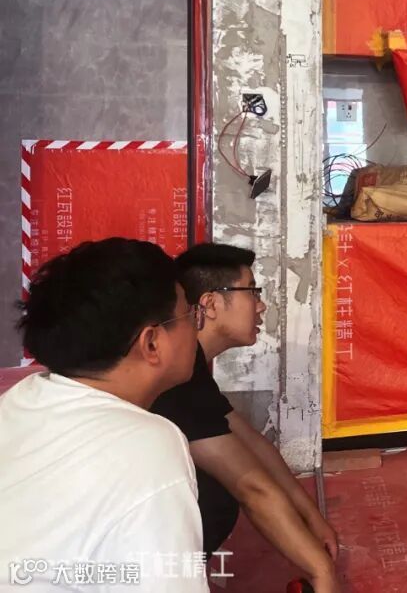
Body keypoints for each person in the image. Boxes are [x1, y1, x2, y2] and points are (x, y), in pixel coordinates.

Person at [0, 238, 208, 591]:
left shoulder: (19, 400)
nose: (196, 328)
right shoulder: (147, 444)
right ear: (152, 343)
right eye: (190, 314)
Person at [151, 244, 339, 593]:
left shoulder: (193, 368)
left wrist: (312, 518)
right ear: (210, 304)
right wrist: (322, 571)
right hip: (137, 568)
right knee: (216, 488)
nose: (261, 305)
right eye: (252, 291)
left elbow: (252, 443)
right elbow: (252, 487)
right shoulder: (178, 380)